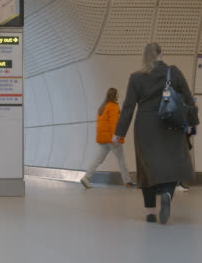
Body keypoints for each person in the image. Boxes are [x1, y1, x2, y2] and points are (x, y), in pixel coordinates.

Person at [113, 43, 199, 224]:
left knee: (147, 169)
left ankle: (151, 213)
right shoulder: (173, 72)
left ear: (144, 57)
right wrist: (192, 123)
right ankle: (167, 193)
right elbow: (187, 97)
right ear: (161, 54)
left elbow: (128, 107)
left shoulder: (136, 78)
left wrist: (119, 133)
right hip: (170, 124)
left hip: (145, 127)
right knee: (174, 163)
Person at [80, 88, 135, 189]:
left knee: (98, 160)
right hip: (112, 139)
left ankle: (86, 178)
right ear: (115, 96)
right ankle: (127, 181)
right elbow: (114, 124)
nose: (118, 96)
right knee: (121, 160)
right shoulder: (113, 107)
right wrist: (117, 138)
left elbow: (100, 125)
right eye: (117, 94)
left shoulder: (102, 107)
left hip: (103, 139)